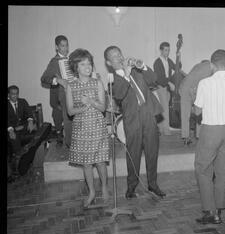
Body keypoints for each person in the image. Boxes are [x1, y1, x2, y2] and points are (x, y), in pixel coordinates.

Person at [104, 45, 165, 199]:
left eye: (119, 53)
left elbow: (153, 80)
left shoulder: (138, 71)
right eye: (114, 56)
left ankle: (153, 184)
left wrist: (142, 65)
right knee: (133, 153)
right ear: (109, 63)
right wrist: (126, 74)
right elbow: (119, 94)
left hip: (148, 115)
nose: (119, 57)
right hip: (132, 119)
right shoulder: (114, 79)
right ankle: (131, 186)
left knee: (152, 152)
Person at [194, 49, 225, 224]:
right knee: (223, 172)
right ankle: (219, 209)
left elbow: (197, 110)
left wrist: (196, 103)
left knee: (203, 169)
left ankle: (210, 211)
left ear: (211, 65)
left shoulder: (205, 83)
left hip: (210, 131)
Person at [65, 48, 110, 207]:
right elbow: (70, 111)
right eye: (83, 64)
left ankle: (104, 187)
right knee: (87, 163)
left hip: (97, 126)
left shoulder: (97, 82)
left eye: (89, 63)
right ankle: (91, 191)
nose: (88, 67)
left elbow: (103, 108)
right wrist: (84, 108)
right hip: (81, 128)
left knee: (100, 161)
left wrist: (91, 102)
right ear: (76, 67)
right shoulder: (71, 86)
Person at [41, 35, 73, 148]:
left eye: (66, 45)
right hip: (61, 95)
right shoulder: (54, 62)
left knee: (71, 118)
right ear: (57, 47)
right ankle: (69, 144)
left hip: (70, 94)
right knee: (66, 119)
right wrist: (57, 80)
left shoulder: (69, 60)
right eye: (62, 46)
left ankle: (71, 142)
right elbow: (44, 79)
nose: (65, 48)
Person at [179, 60, 212, 144]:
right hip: (191, 89)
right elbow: (204, 85)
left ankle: (186, 137)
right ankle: (198, 136)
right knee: (199, 112)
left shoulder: (197, 66)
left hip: (184, 87)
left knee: (185, 115)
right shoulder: (209, 69)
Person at [153, 42, 180, 135]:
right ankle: (166, 131)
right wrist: (169, 83)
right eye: (165, 50)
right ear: (161, 50)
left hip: (167, 87)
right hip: (161, 86)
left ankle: (161, 129)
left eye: (168, 50)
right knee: (164, 108)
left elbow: (177, 67)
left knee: (163, 108)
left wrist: (178, 57)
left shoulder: (168, 60)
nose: (167, 52)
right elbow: (159, 78)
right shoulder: (157, 62)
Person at [8, 85, 35, 156]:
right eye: (13, 94)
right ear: (8, 94)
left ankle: (31, 158)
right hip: (12, 128)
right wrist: (10, 130)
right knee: (15, 137)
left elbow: (29, 113)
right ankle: (19, 158)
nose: (15, 96)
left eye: (16, 93)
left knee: (37, 135)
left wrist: (30, 121)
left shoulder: (23, 101)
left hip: (23, 127)